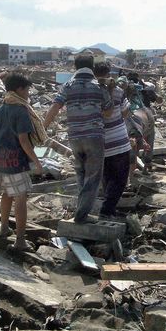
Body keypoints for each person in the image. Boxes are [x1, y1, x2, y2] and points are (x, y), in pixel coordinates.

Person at [43, 55, 113, 224]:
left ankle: (82, 211)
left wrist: (42, 127)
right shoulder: (99, 86)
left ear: (75, 66)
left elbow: (55, 107)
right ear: (92, 67)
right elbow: (108, 112)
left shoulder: (68, 86)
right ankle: (81, 215)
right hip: (94, 136)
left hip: (74, 137)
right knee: (93, 176)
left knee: (81, 174)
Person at [0, 73, 43, 251]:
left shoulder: (2, 108)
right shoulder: (20, 110)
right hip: (16, 160)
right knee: (20, 197)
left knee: (6, 194)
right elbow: (24, 141)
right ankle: (20, 240)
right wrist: (37, 162)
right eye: (27, 89)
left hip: (0, 157)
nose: (28, 93)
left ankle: (4, 228)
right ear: (19, 89)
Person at [93, 62, 131, 218]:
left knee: (107, 177)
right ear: (108, 73)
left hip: (100, 143)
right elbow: (125, 112)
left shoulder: (91, 92)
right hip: (119, 142)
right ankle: (107, 210)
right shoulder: (118, 91)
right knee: (120, 179)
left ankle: (108, 208)